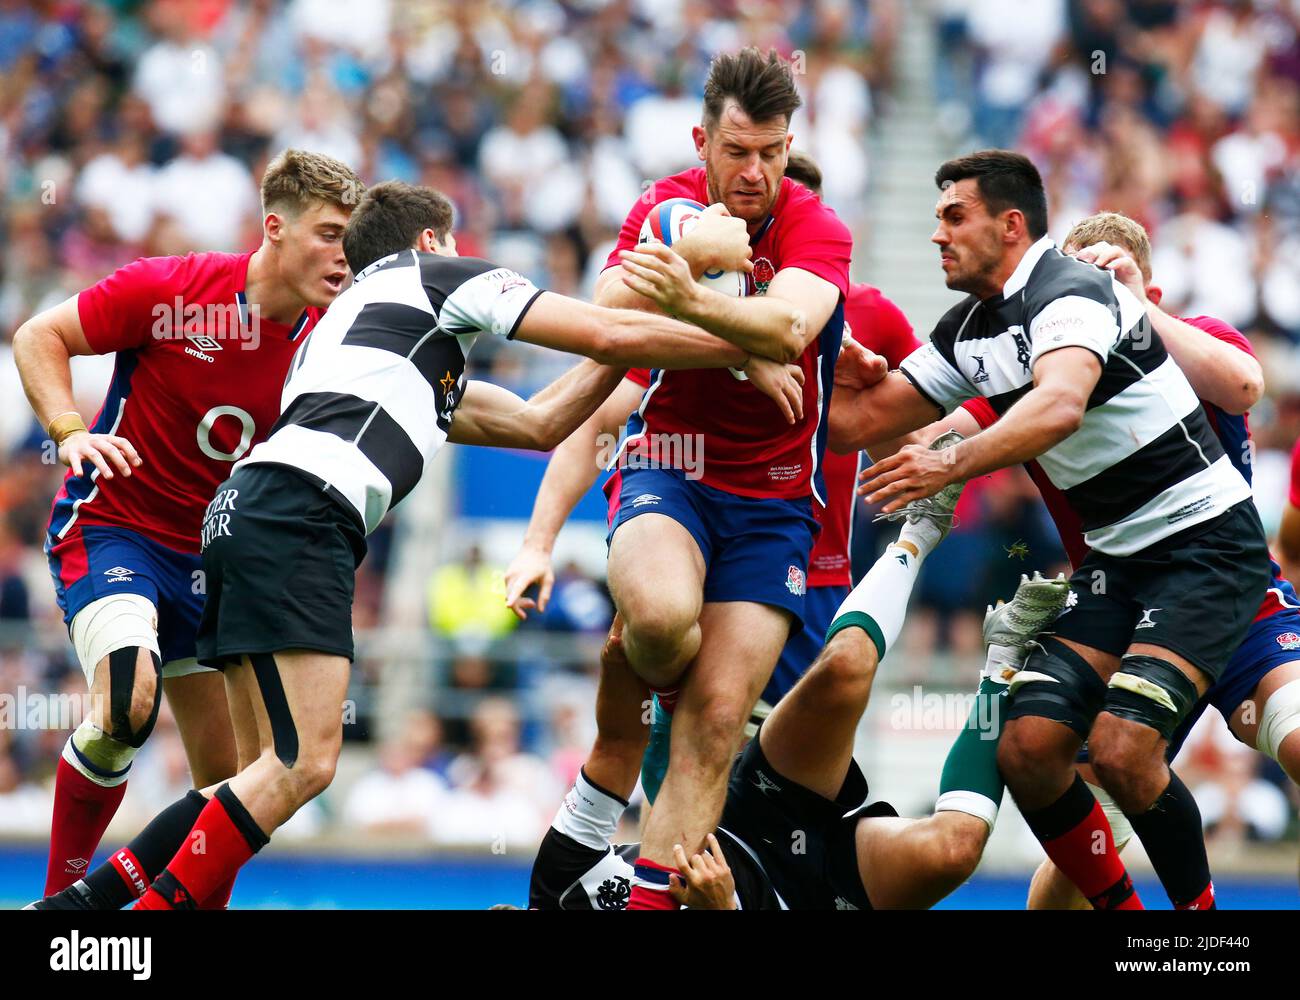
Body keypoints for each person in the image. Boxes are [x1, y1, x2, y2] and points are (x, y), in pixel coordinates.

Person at [31, 179, 803, 911]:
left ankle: (80, 903)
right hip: (302, 518)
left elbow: (539, 422)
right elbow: (601, 325)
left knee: (257, 774)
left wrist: (634, 357)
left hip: (241, 517)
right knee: (305, 765)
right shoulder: (434, 274)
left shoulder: (366, 331)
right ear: (433, 239)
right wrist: (735, 344)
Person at [833, 150, 1270, 910]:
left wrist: (952, 463)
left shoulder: (1070, 292)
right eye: (935, 218)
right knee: (1028, 748)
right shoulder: (970, 330)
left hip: (1207, 550)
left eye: (953, 216)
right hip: (1117, 563)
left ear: (1010, 226)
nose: (937, 234)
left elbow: (1060, 405)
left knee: (1123, 750)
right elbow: (857, 425)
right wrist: (811, 353)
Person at [508, 151, 909, 896]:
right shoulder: (699, 294)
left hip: (813, 570)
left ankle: (769, 888)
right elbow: (601, 408)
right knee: (689, 733)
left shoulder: (870, 314)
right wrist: (537, 540)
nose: (781, 250)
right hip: (698, 541)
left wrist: (884, 425)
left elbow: (911, 418)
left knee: (784, 793)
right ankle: (676, 888)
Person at [13, 148, 363, 905]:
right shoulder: (174, 289)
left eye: (352, 239)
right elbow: (40, 336)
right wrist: (70, 429)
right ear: (275, 227)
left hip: (218, 564)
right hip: (116, 531)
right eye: (330, 234)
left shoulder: (332, 340)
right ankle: (59, 908)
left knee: (230, 792)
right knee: (126, 704)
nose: (344, 256)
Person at [966, 212, 1300, 909]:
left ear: (1151, 283)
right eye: (1076, 273)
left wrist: (1130, 305)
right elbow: (944, 424)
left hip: (1229, 592)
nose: (1092, 285)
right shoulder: (1045, 383)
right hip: (1121, 614)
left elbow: (1243, 386)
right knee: (1067, 872)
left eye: (1110, 268)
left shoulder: (1201, 335)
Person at [529, 504, 1073, 910]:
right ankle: (1003, 661)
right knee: (955, 849)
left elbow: (618, 745)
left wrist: (631, 638)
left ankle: (919, 530)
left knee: (845, 668)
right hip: (802, 899)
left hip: (742, 819)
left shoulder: (555, 886)